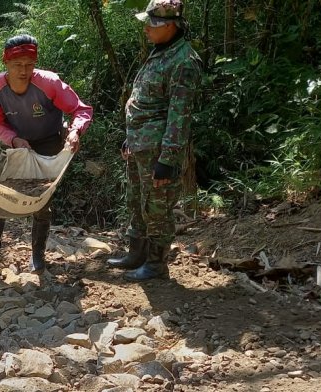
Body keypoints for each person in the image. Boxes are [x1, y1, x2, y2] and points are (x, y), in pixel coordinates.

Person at [0, 34, 93, 275]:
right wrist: (14, 140)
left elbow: (81, 109)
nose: (24, 70)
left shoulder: (49, 82)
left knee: (42, 203)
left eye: (29, 64)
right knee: (0, 199)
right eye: (17, 65)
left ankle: (37, 258)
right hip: (17, 147)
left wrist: (74, 132)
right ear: (5, 63)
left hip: (50, 145)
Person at [107, 0, 202, 281]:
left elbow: (179, 116)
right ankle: (136, 254)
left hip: (159, 149)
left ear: (171, 26)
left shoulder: (184, 61)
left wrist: (168, 160)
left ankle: (156, 265)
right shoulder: (161, 51)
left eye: (153, 24)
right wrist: (130, 139)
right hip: (140, 145)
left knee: (157, 207)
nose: (147, 29)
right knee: (136, 201)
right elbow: (145, 101)